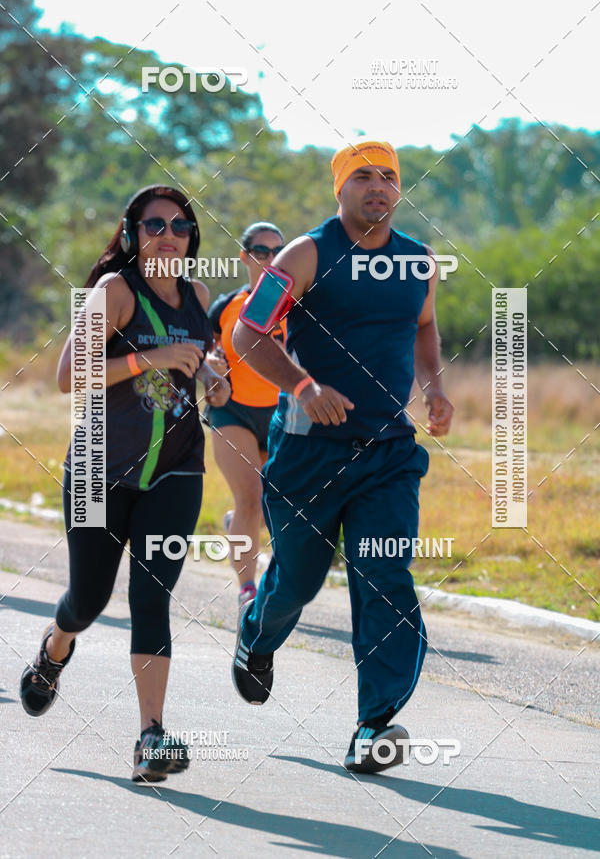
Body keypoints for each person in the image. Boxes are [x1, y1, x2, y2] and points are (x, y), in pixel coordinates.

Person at [231, 141, 454, 774]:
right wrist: (303, 385)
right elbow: (250, 330)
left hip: (387, 452)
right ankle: (256, 635)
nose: (378, 187)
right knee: (297, 581)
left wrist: (434, 386)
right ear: (341, 189)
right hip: (307, 451)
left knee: (383, 577)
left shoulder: (417, 261)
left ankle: (373, 725)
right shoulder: (307, 254)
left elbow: (423, 327)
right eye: (363, 176)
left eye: (388, 177)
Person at [19, 184, 230, 783]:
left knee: (151, 597)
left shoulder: (199, 295)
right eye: (154, 224)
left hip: (177, 469)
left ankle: (150, 737)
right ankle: (56, 646)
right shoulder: (115, 292)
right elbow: (68, 376)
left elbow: (198, 367)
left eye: (180, 226)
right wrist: (150, 360)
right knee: (87, 600)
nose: (168, 234)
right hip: (96, 470)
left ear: (193, 238)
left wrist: (213, 378)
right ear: (132, 234)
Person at [205, 222, 285, 609]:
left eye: (276, 251)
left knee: (272, 504)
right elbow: (199, 352)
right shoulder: (226, 307)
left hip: (281, 417)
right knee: (251, 498)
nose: (269, 259)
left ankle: (236, 521)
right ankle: (248, 590)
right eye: (260, 251)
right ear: (244, 256)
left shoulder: (297, 305)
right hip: (232, 411)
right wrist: (209, 362)